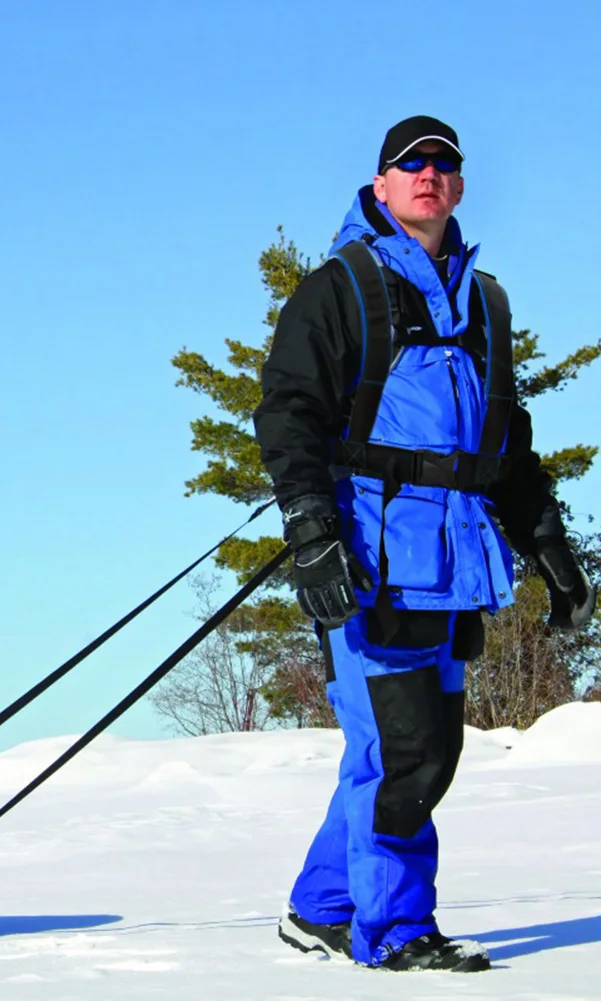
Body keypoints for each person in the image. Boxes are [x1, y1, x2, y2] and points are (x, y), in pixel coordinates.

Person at [253, 115, 596, 972]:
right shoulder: (340, 287)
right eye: (410, 163)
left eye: (443, 163)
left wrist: (548, 547)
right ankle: (395, 929)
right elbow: (288, 413)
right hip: (369, 561)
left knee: (408, 752)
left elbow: (503, 442)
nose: (427, 173)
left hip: (454, 564)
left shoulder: (485, 302)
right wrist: (311, 532)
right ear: (380, 184)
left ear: (460, 186)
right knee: (407, 753)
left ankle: (321, 907)